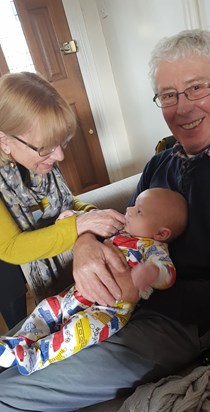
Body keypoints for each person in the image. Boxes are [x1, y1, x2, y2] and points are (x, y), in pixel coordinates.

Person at [1, 28, 210, 412]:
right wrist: (85, 244)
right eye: (169, 95)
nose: (183, 108)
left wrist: (142, 285)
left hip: (176, 322)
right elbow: (119, 223)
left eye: (196, 88)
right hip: (102, 301)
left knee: (8, 395)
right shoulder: (160, 162)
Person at [0, 188, 187, 375]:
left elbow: (167, 273)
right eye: (133, 205)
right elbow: (96, 221)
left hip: (109, 309)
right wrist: (73, 217)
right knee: (46, 308)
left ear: (161, 234)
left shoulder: (154, 249)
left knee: (78, 332)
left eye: (138, 211)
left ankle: (36, 357)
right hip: (78, 293)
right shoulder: (121, 229)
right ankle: (16, 344)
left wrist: (151, 272)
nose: (129, 210)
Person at [0, 71, 126, 324]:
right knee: (12, 294)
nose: (59, 157)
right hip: (6, 257)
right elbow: (9, 248)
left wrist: (89, 214)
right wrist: (78, 226)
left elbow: (65, 203)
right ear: (5, 142)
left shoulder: (39, 156)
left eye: (62, 143)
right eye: (46, 148)